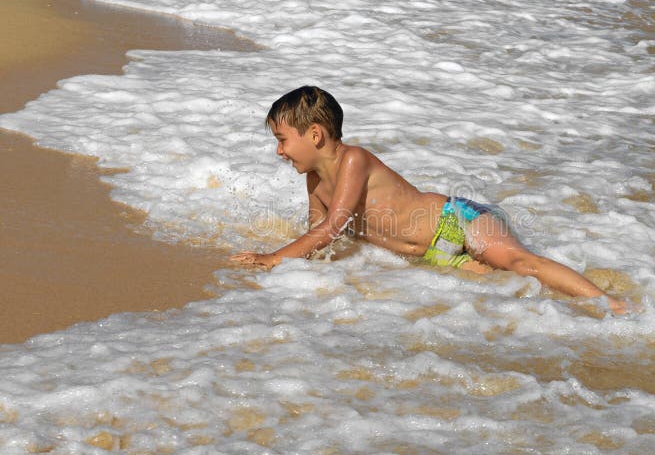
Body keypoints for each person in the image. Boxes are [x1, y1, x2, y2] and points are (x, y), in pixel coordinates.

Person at [231, 86, 627, 314]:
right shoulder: (315, 180)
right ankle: (581, 314)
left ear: (315, 135)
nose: (280, 152)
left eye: (282, 140)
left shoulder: (354, 160)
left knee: (522, 264)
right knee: (513, 294)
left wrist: (273, 258)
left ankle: (611, 302)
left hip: (458, 220)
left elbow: (333, 225)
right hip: (435, 255)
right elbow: (320, 237)